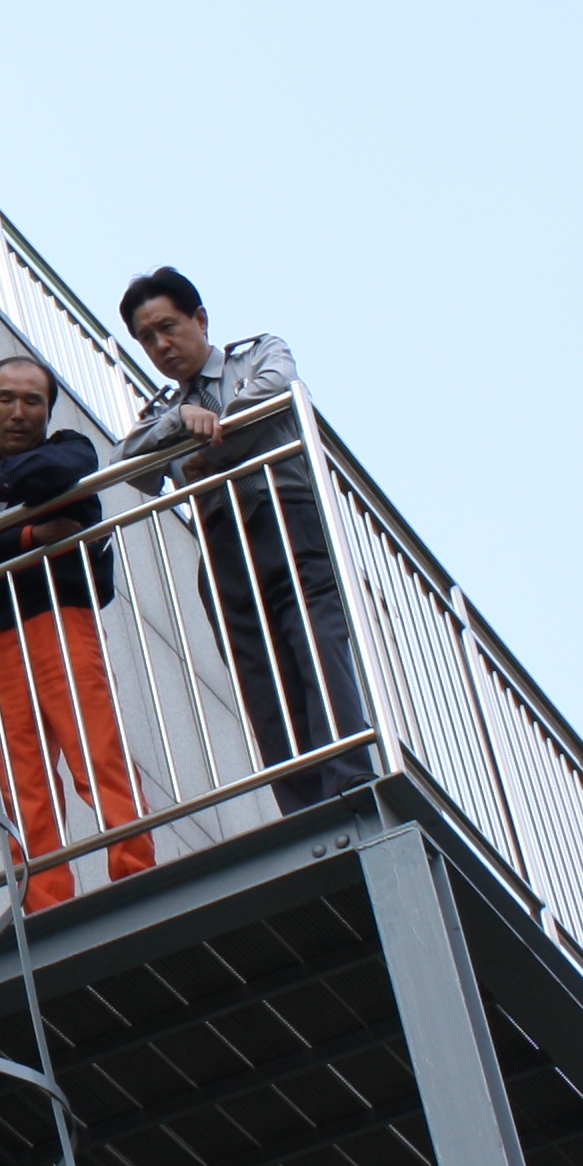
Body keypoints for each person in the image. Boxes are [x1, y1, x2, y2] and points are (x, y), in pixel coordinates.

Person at [110, 268, 375, 813]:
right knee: (260, 680)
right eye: (147, 338)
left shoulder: (256, 355)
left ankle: (349, 779)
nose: (161, 345)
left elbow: (273, 394)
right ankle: (302, 807)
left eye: (168, 327)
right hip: (224, 544)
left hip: (287, 517)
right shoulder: (165, 412)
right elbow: (127, 465)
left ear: (199, 319)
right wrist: (182, 421)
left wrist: (212, 438)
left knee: (317, 646)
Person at [0, 354, 148, 911]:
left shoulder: (67, 451)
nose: (18, 411)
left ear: (47, 411)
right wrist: (35, 533)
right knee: (22, 773)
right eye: (5, 399)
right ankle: (44, 899)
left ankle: (135, 872)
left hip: (61, 619)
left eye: (31, 400)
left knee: (96, 747)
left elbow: (61, 473)